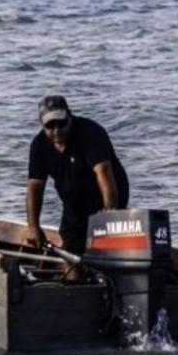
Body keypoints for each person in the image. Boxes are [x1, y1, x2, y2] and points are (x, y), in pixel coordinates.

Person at [25, 95, 129, 258]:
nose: (57, 131)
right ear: (42, 124)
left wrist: (110, 213)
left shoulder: (90, 133)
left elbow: (104, 173)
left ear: (70, 116)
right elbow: (35, 187)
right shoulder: (39, 146)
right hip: (75, 205)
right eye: (50, 126)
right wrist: (33, 226)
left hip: (108, 196)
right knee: (72, 251)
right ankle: (75, 281)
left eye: (62, 124)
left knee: (105, 251)